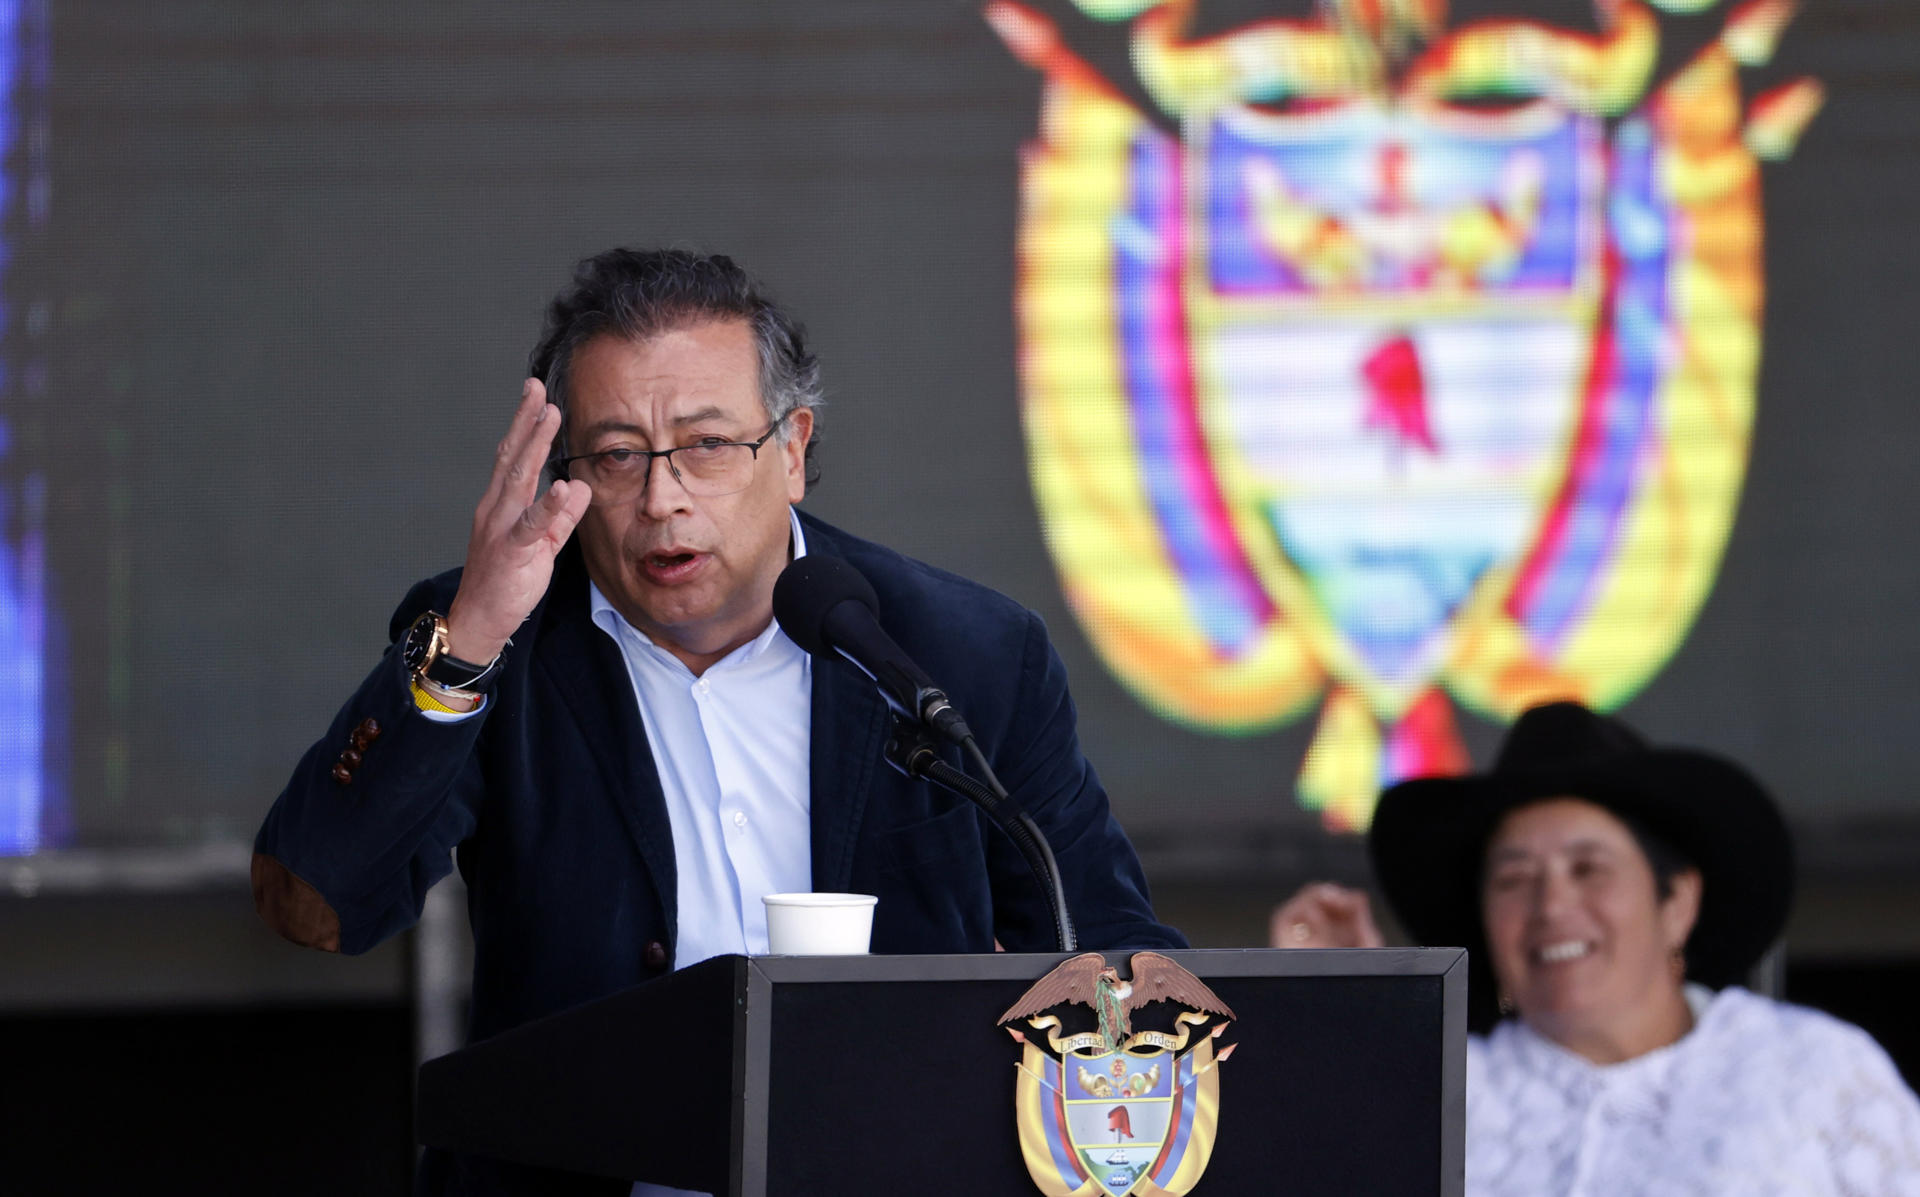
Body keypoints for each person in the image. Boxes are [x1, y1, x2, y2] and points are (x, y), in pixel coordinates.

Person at [251, 248, 1184, 1196]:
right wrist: (469, 644)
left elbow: (1108, 952)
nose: (663, 500)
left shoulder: (965, 651)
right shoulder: (500, 637)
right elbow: (315, 906)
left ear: (791, 449)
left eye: (706, 446)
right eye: (616, 457)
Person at [1270, 701, 1920, 1195]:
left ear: (1678, 902)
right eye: (1514, 878)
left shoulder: (1815, 1073)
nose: (1551, 906)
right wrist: (1344, 1007)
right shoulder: (1438, 1096)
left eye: (1589, 868)